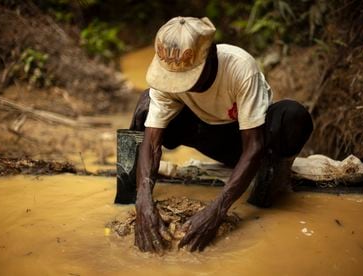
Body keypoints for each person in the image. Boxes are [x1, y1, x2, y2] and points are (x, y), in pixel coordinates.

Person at [128, 16, 313, 253]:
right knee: (147, 106)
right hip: (205, 133)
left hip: (251, 140)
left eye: (188, 78)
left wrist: (216, 211)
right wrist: (142, 201)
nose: (180, 85)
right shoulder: (169, 73)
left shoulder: (239, 67)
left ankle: (274, 170)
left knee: (293, 117)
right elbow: (152, 141)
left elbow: (253, 145)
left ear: (211, 55)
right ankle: (130, 190)